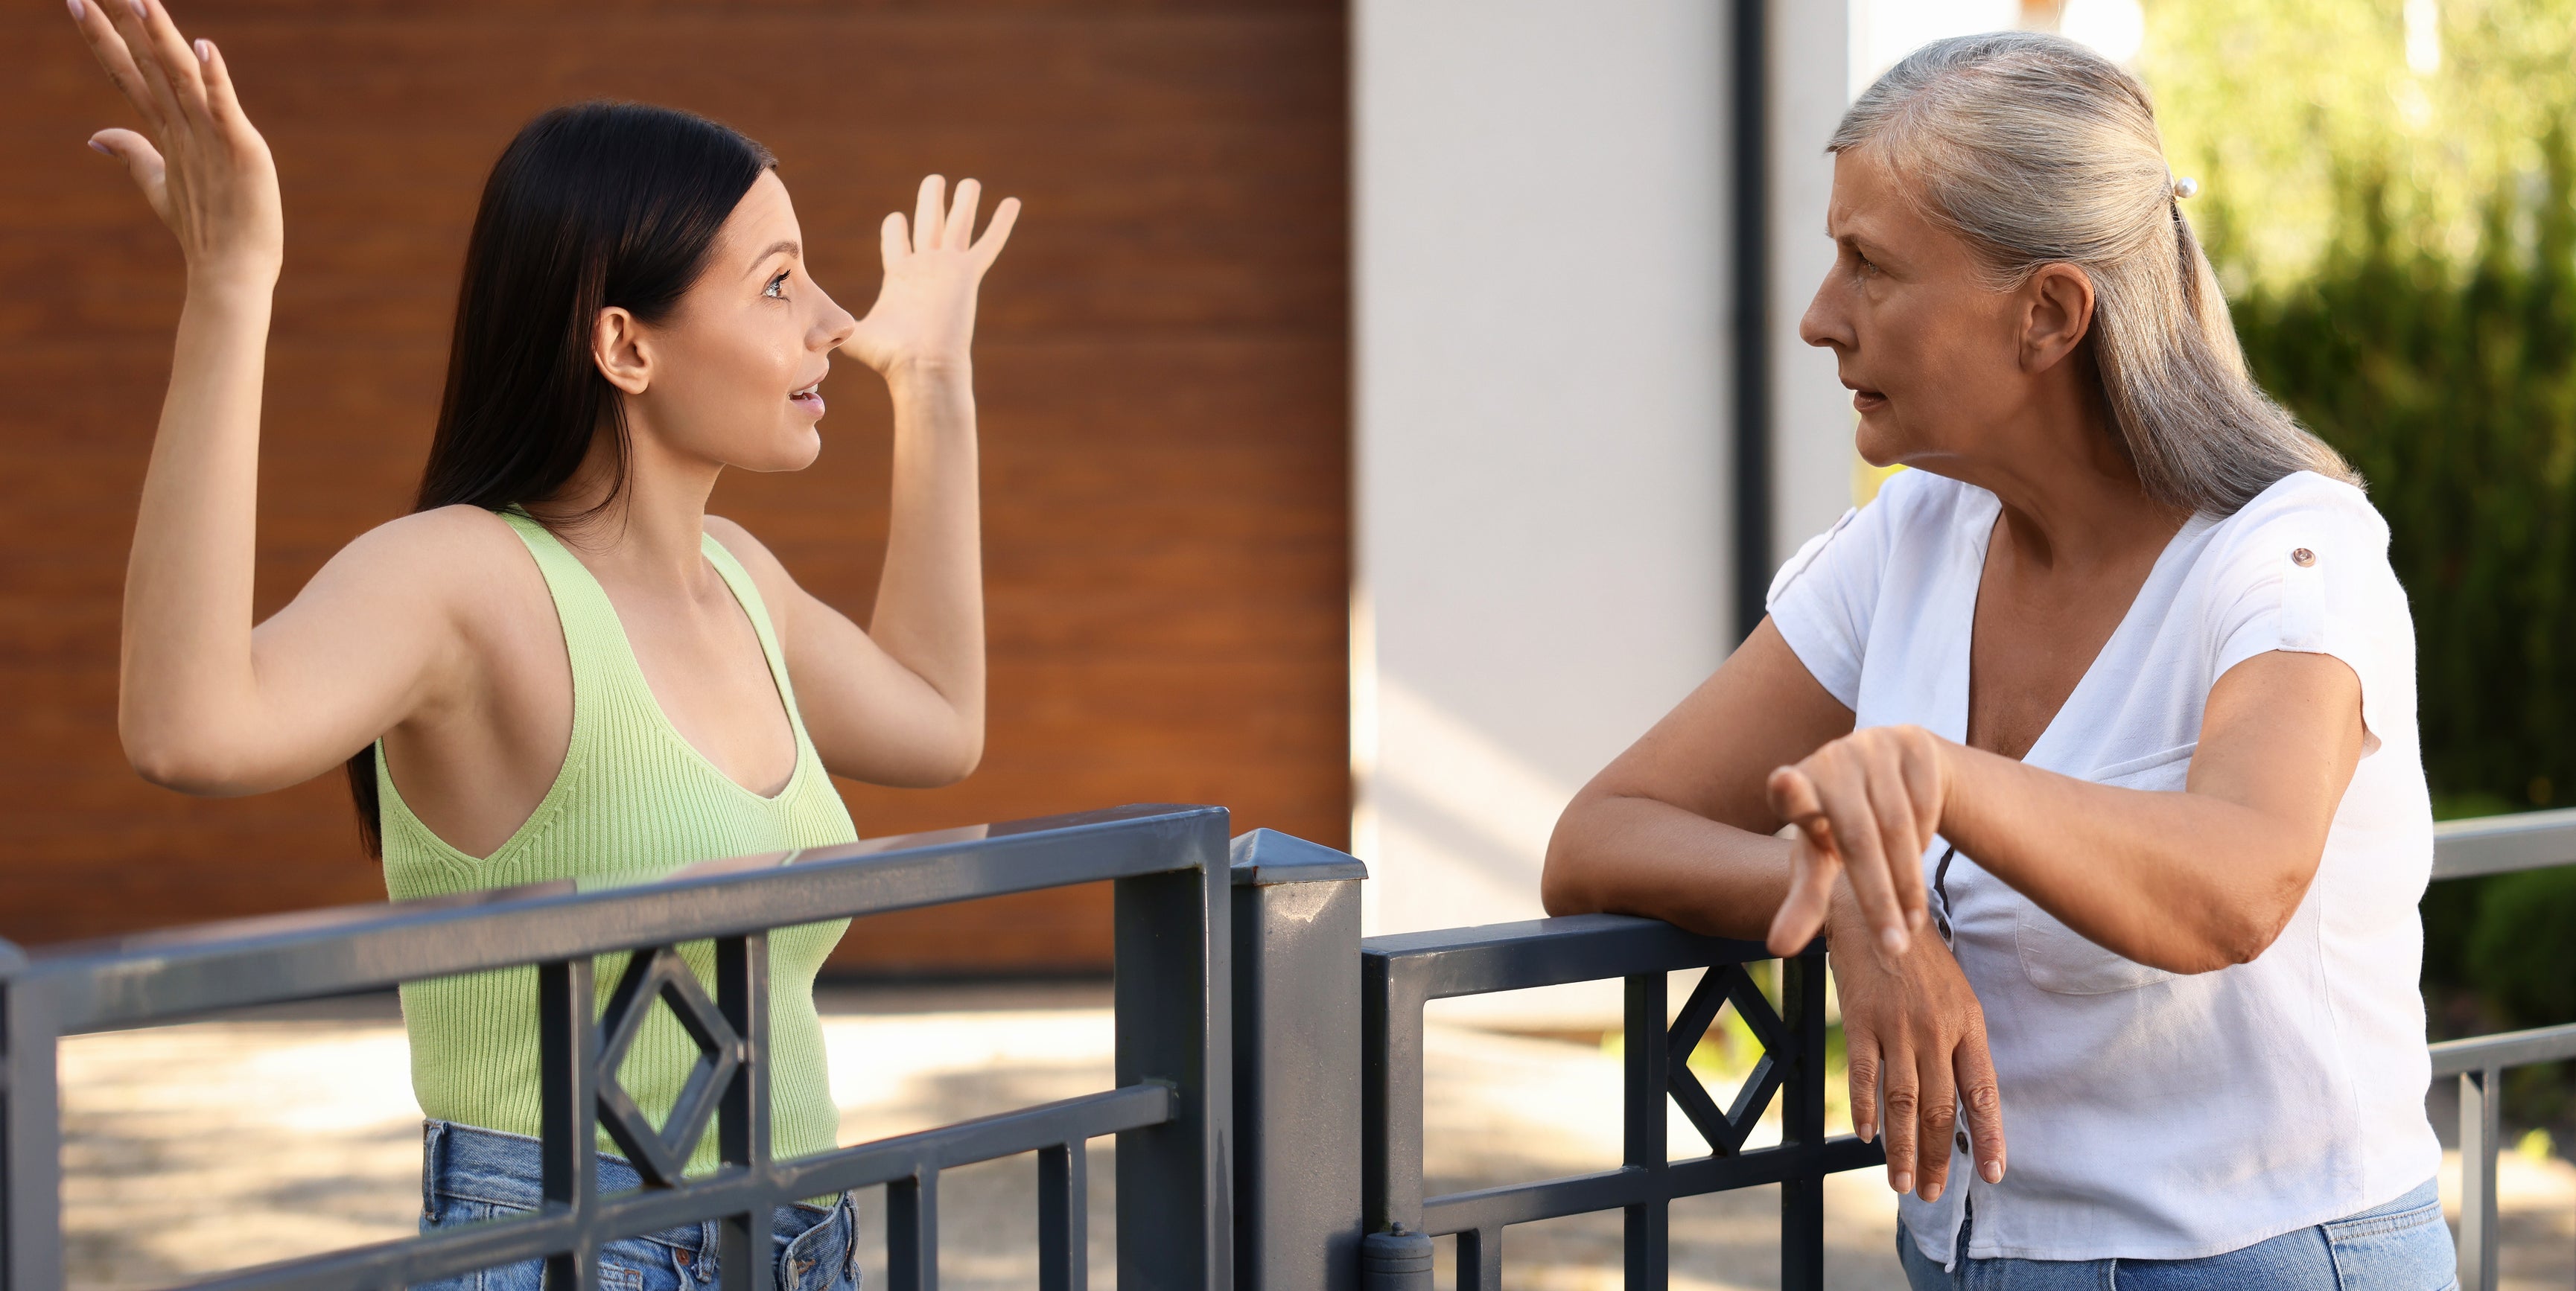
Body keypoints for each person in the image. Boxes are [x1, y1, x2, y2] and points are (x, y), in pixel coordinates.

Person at [68, 0, 1016, 1287]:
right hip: (577, 1245)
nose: (835, 322)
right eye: (782, 282)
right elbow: (186, 729)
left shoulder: (745, 582)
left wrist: (938, 382)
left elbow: (942, 721)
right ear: (625, 343)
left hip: (802, 1239)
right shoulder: (466, 576)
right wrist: (233, 285)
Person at [1543, 31, 2457, 1291]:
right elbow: (1598, 836)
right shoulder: (1910, 540)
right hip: (1975, 1258)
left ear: (2049, 315)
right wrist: (1864, 909)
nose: (1818, 318)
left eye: (1870, 267)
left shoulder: (2291, 558)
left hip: (2264, 1261)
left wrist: (1934, 777)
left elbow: (2238, 885)